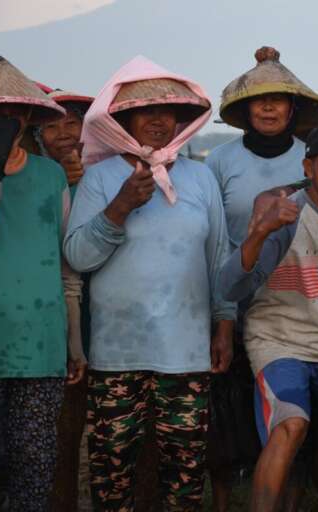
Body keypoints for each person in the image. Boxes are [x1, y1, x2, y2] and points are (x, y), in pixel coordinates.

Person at [63, 55, 235, 510]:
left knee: (185, 471)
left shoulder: (200, 178)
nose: (159, 120)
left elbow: (219, 259)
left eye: (167, 111)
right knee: (111, 469)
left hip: (186, 354)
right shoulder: (100, 179)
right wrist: (118, 208)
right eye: (146, 111)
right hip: (117, 356)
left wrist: (223, 325)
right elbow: (78, 256)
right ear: (123, 119)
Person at [219, 121, 318, 512]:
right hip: (279, 342)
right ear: (308, 168)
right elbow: (230, 287)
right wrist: (260, 231)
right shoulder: (288, 216)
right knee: (291, 425)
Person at [205, 45, 318, 511]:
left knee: (291, 409)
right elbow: (217, 239)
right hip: (233, 299)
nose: (270, 107)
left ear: (294, 107)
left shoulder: (311, 158)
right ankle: (221, 498)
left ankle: (288, 500)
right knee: (228, 403)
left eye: (279, 99)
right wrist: (220, 316)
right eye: (260, 100)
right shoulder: (219, 162)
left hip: (298, 306)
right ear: (244, 110)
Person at [0, 53, 84, 512]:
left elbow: (66, 267)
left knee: (32, 464)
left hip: (39, 347)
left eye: (11, 114)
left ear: (27, 116)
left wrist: (74, 341)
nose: (3, 122)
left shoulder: (51, 177)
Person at [35, 88, 95, 512]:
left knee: (90, 424)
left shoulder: (105, 177)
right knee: (51, 427)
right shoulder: (27, 179)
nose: (63, 134)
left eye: (72, 123)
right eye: (52, 126)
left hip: (98, 311)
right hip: (40, 313)